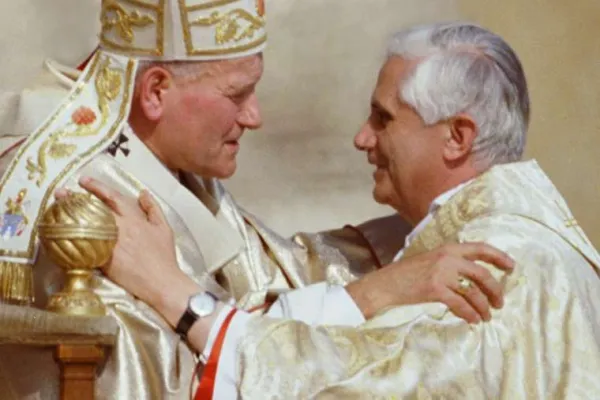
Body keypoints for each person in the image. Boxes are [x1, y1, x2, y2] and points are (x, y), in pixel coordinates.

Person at [0, 2, 511, 399]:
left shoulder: (160, 160)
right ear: (155, 91)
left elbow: (267, 277)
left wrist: (429, 222)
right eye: (237, 93)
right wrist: (374, 294)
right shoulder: (84, 206)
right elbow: (165, 377)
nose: (254, 116)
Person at [85, 21, 600, 398]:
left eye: (383, 118)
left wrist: (171, 292)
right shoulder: (505, 235)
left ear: (457, 137)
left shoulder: (498, 266)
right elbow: (309, 280)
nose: (361, 138)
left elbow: (348, 385)